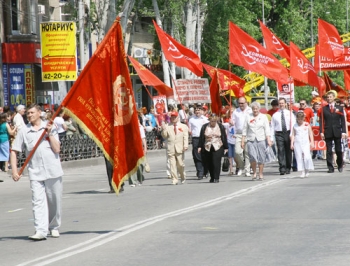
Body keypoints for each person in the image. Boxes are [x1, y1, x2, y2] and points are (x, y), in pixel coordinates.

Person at [11, 104, 63, 241]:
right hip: (35, 171)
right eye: (27, 113)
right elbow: (14, 150)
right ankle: (40, 230)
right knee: (37, 201)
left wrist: (50, 133)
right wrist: (15, 171)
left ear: (39, 113)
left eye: (32, 112)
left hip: (53, 170)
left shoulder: (50, 127)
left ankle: (54, 226)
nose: (29, 115)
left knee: (54, 201)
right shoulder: (24, 131)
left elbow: (57, 149)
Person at [241, 102, 272, 181]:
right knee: (252, 157)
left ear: (259, 109)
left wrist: (268, 139)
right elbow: (245, 129)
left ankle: (260, 173)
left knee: (261, 157)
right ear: (252, 109)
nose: (255, 110)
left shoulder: (263, 117)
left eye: (256, 109)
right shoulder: (248, 117)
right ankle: (254, 172)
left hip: (261, 139)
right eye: (253, 109)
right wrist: (242, 140)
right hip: (251, 140)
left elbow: (267, 129)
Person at [319, 91, 347, 173]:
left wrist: (344, 132)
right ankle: (330, 167)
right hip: (328, 131)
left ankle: (340, 164)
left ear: (334, 97)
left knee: (338, 150)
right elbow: (321, 121)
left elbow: (342, 121)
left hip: (337, 131)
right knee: (329, 150)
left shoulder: (340, 108)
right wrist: (321, 131)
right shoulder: (324, 109)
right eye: (328, 97)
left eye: (330, 97)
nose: (329, 98)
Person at [198, 113, 228, 183]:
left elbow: (224, 137)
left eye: (214, 121)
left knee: (216, 162)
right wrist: (200, 146)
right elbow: (201, 137)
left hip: (218, 146)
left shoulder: (220, 126)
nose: (213, 122)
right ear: (209, 120)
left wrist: (226, 147)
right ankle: (212, 177)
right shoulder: (204, 127)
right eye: (212, 121)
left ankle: (216, 177)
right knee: (209, 162)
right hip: (207, 146)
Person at [161, 111, 189, 185]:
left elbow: (185, 137)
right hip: (171, 148)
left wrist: (185, 145)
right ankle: (174, 179)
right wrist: (163, 129)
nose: (173, 118)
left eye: (175, 117)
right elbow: (165, 136)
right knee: (172, 164)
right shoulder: (168, 126)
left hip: (180, 148)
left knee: (180, 164)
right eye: (172, 117)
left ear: (178, 117)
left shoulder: (183, 126)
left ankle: (182, 176)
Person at [271, 98, 296, 175]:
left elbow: (293, 125)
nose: (281, 104)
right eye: (280, 103)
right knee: (281, 150)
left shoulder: (290, 114)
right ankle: (282, 167)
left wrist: (292, 134)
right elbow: (272, 126)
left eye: (282, 103)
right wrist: (271, 138)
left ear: (285, 104)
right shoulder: (275, 115)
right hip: (279, 134)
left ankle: (288, 167)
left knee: (288, 151)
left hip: (288, 133)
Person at [231, 97, 252, 176]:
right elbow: (233, 122)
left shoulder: (250, 110)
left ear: (246, 103)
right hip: (239, 134)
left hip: (248, 133)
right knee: (237, 152)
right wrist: (232, 123)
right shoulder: (236, 111)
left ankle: (247, 170)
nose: (241, 105)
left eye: (242, 103)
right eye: (239, 103)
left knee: (247, 153)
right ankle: (241, 166)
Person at [291, 112, 315, 178]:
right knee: (299, 157)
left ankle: (307, 169)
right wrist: (292, 143)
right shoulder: (295, 126)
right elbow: (293, 135)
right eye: (299, 119)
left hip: (305, 142)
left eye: (301, 119)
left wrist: (312, 142)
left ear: (303, 118)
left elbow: (310, 134)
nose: (300, 121)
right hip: (297, 142)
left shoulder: (307, 125)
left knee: (307, 157)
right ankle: (302, 171)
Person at [188, 104, 208, 180]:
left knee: (205, 155)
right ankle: (200, 172)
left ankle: (205, 170)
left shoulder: (205, 119)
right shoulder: (191, 119)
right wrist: (189, 130)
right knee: (197, 155)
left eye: (199, 110)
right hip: (195, 138)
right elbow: (189, 128)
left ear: (202, 111)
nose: (197, 111)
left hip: (204, 138)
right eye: (196, 110)